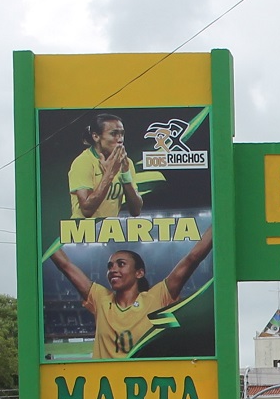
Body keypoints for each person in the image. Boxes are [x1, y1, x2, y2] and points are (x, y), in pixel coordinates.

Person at [49, 229, 214, 359]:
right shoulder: (100, 297)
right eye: (110, 266)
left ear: (139, 273)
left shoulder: (156, 297)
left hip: (143, 388)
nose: (113, 269)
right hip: (105, 390)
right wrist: (42, 231)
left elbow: (192, 258)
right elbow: (65, 265)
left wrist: (221, 215)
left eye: (121, 264)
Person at [68, 113, 144, 219]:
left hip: (108, 231)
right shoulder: (83, 162)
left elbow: (136, 210)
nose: (120, 139)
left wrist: (126, 175)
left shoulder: (126, 162)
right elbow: (87, 210)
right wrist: (110, 173)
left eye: (122, 134)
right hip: (83, 231)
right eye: (114, 134)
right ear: (96, 136)